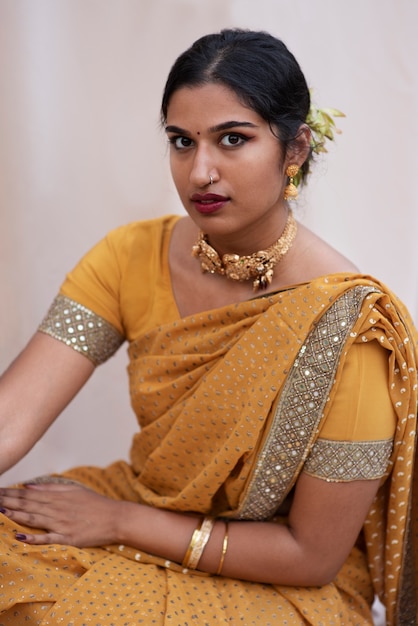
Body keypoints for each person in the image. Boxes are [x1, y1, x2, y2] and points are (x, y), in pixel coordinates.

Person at [0, 28, 417, 626]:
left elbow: (313, 555)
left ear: (294, 148)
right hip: (138, 506)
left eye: (232, 140)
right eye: (181, 141)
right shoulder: (129, 257)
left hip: (276, 581)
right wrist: (117, 517)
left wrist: (118, 522)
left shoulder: (350, 327)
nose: (200, 172)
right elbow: (11, 418)